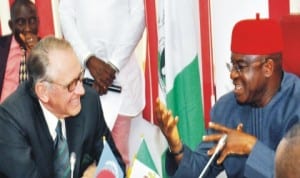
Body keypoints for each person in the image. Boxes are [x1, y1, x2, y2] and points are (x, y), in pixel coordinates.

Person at [155, 14, 300, 178]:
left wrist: (251, 147)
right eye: (232, 65)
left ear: (267, 68)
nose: (232, 75)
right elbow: (199, 172)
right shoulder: (226, 109)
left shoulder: (296, 105)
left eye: (240, 67)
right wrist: (176, 146)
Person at [0, 36, 125, 178]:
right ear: (43, 92)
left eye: (80, 77)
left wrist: (102, 173)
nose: (81, 90)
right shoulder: (10, 122)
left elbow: (114, 163)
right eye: (71, 84)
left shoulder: (89, 102)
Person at [58, 0, 145, 168]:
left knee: (118, 162)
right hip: (83, 77)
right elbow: (66, 15)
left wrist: (113, 66)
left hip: (122, 76)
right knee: (82, 161)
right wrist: (88, 58)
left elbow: (139, 16)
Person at [0, 0, 40, 103]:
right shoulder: (2, 47)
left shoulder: (47, 50)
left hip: (33, 114)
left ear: (38, 22)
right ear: (11, 26)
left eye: (32, 21)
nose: (27, 29)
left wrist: (37, 53)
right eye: (21, 22)